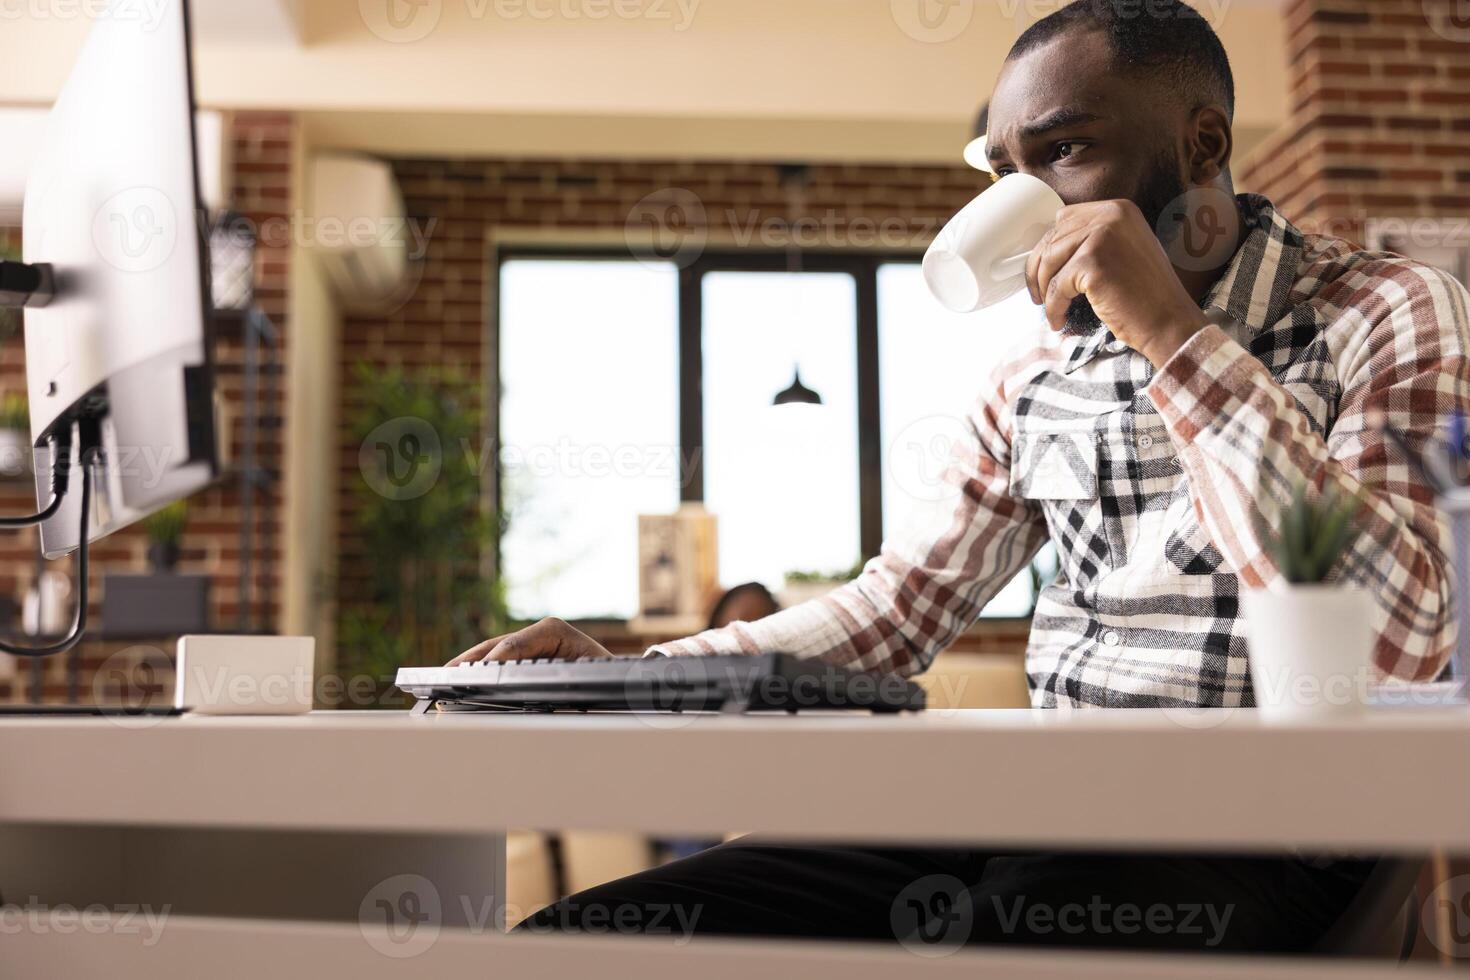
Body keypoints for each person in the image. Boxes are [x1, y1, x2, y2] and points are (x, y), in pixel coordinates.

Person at [450, 0, 1469, 951]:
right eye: (1006, 169)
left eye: (1066, 151)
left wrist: (1174, 336)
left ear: (1203, 146)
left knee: (989, 931)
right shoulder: (1032, 377)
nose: (1029, 201)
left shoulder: (1383, 310)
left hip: (1258, 830)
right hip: (1034, 800)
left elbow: (1404, 640)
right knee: (592, 937)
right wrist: (637, 680)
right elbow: (896, 612)